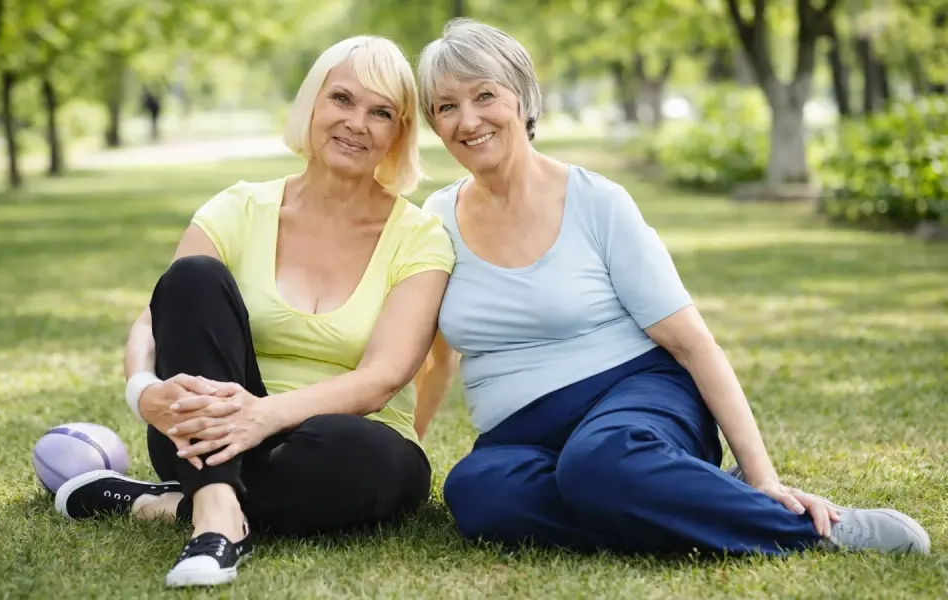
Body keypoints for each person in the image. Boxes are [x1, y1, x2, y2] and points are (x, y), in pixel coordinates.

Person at [413, 18, 930, 557]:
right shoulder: (438, 217)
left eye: (485, 95)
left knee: (599, 463)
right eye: (447, 106)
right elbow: (433, 357)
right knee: (478, 493)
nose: (468, 120)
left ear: (522, 97)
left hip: (635, 400)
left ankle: (811, 530)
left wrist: (762, 477)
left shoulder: (597, 202)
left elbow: (692, 343)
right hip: (522, 433)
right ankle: (676, 493)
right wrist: (410, 446)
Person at [52, 35, 455, 588]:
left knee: (376, 462)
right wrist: (142, 392)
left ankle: (170, 503)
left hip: (341, 441)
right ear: (311, 104)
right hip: (206, 428)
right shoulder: (239, 207)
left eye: (380, 112)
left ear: (399, 133)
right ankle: (218, 513)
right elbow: (154, 319)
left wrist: (263, 416)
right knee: (192, 278)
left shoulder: (420, 236)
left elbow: (381, 379)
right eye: (341, 99)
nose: (357, 123)